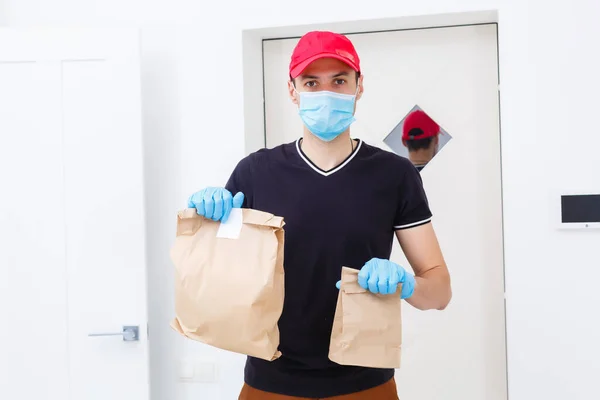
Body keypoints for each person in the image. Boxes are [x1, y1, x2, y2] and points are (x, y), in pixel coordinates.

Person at [187, 31, 452, 399]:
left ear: (359, 87)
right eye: (312, 82)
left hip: (365, 384)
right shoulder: (255, 173)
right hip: (270, 383)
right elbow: (216, 282)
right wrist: (208, 226)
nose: (326, 93)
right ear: (293, 91)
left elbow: (439, 293)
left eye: (339, 81)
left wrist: (407, 283)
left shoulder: (395, 176)